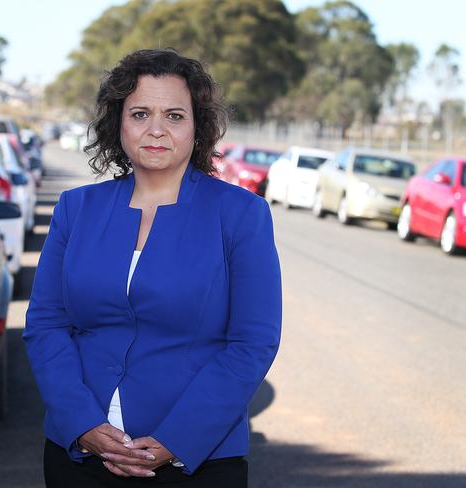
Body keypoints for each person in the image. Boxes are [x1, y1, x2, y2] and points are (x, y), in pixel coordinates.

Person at [24, 48, 282, 487]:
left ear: (197, 127)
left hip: (196, 460)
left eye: (175, 116)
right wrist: (82, 425)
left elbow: (252, 343)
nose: (157, 130)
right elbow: (47, 325)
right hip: (80, 457)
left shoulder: (241, 214)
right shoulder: (76, 209)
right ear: (117, 124)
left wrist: (176, 440)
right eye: (140, 113)